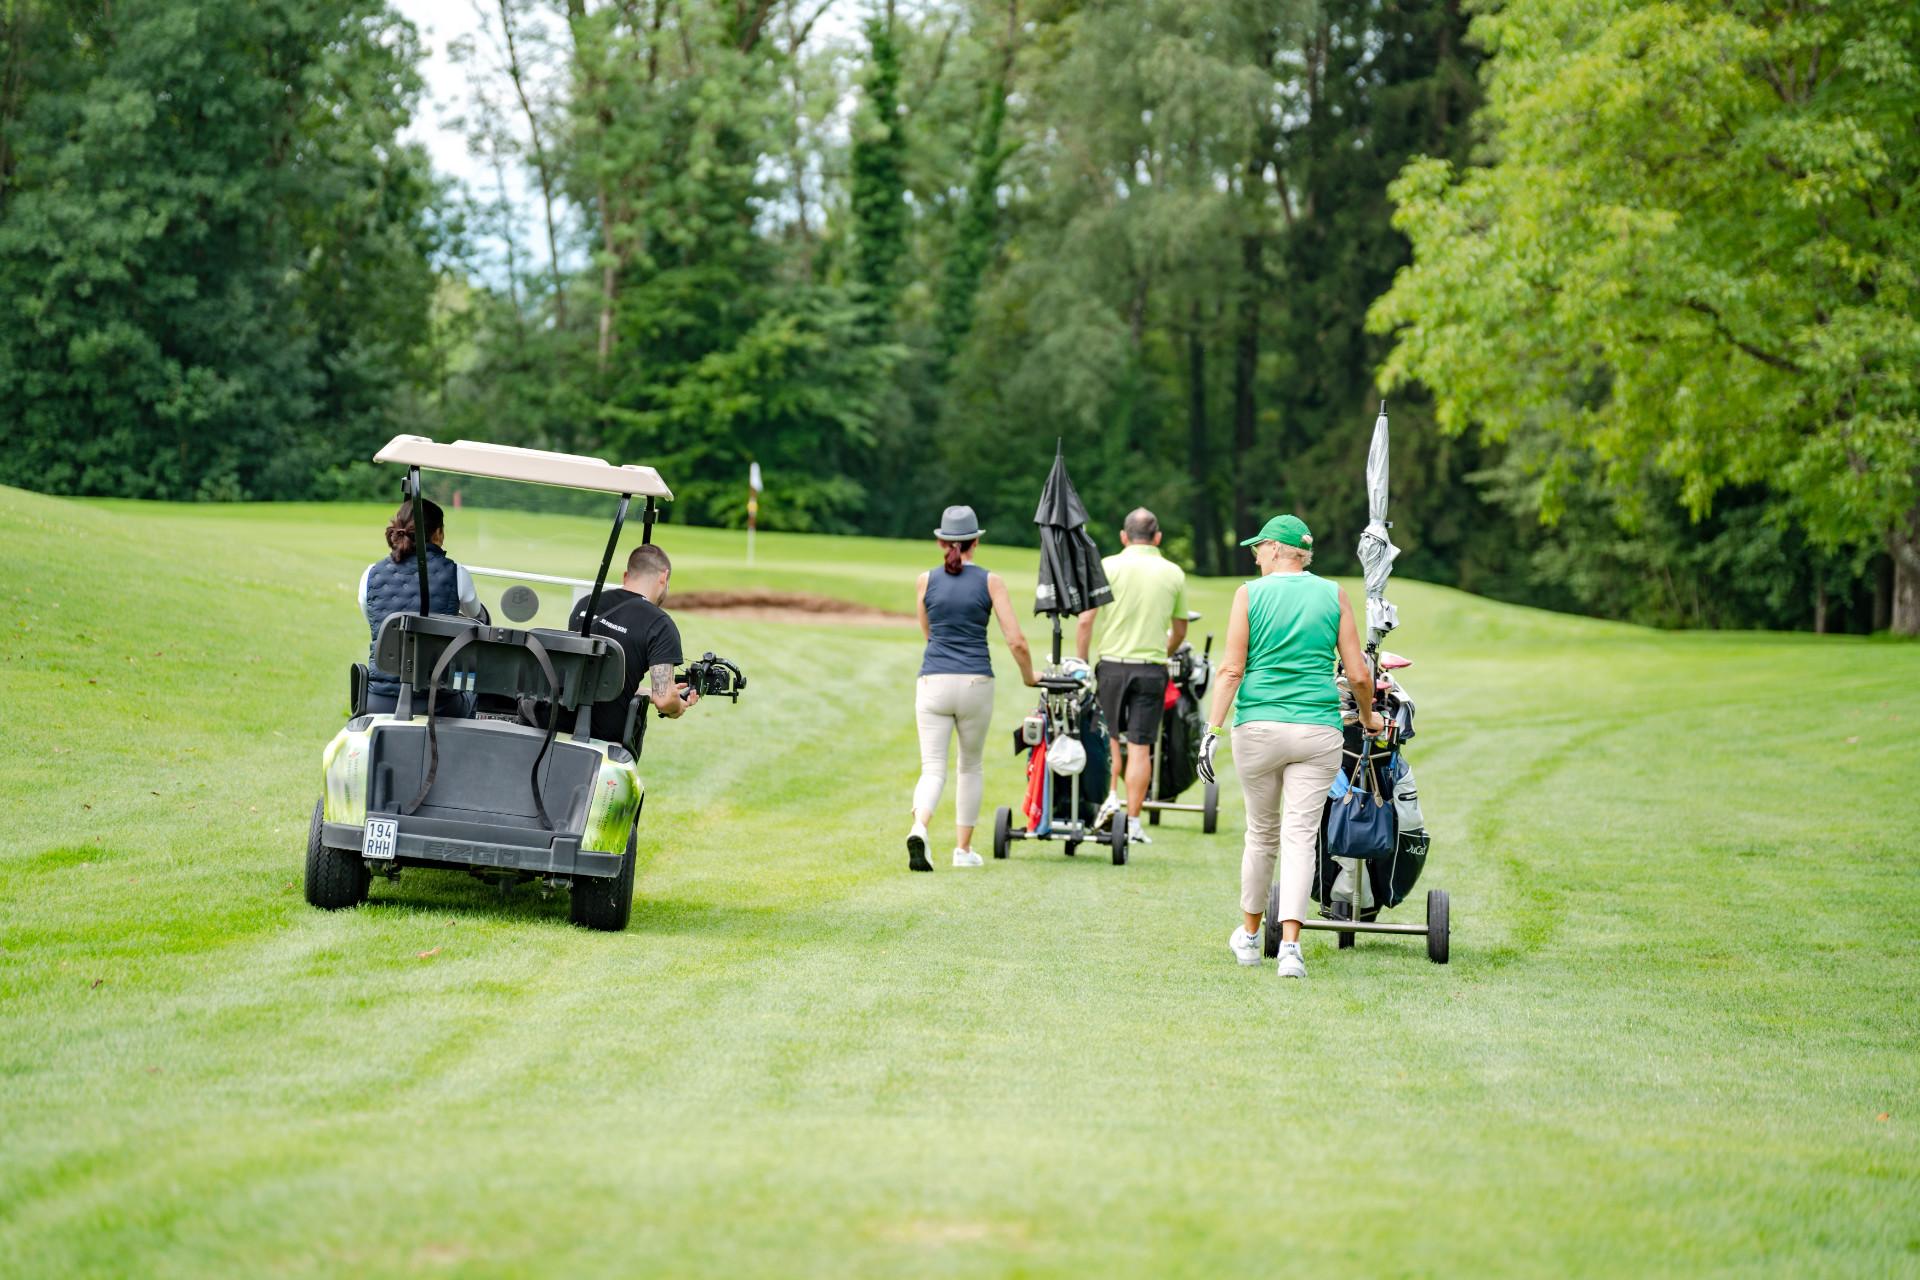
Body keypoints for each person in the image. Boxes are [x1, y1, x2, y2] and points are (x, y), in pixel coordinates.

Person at [1199, 514, 1382, 979]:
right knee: (1300, 837)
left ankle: (1251, 938)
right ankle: (1292, 950)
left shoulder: (1249, 594)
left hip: (1258, 727)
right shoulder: (1334, 594)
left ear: (1279, 550)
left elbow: (1231, 670)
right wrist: (1368, 719)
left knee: (1261, 834)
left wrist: (1211, 731)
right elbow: (1359, 674)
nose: (1255, 555)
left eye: (1259, 547)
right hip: (1318, 730)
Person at [908, 505, 1037, 872]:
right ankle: (963, 851)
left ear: (940, 542)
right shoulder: (990, 581)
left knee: (933, 767)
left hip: (933, 679)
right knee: (970, 767)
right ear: (975, 542)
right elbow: (1016, 641)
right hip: (975, 681)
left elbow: (928, 632)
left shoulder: (925, 580)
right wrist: (1030, 675)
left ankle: (920, 826)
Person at [1077, 508, 1187, 845]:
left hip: (1111, 664)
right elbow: (1180, 630)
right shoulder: (1173, 573)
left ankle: (1110, 799)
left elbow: (1085, 620)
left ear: (1124, 536)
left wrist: (1081, 663)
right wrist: (1164, 653)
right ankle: (1134, 822)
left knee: (1110, 740)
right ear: (1157, 538)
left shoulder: (1107, 566)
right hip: (1151, 668)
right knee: (1141, 747)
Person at [359, 497, 483, 715]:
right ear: (438, 534)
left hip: (379, 698)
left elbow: (375, 622)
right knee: (475, 691)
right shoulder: (457, 574)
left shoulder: (370, 574)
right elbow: (477, 618)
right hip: (439, 702)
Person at [567, 543, 698, 749]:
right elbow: (665, 701)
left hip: (564, 724)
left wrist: (649, 693)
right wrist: (676, 704)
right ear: (664, 577)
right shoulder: (659, 624)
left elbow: (591, 675)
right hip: (609, 736)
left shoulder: (586, 604)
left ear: (626, 575)